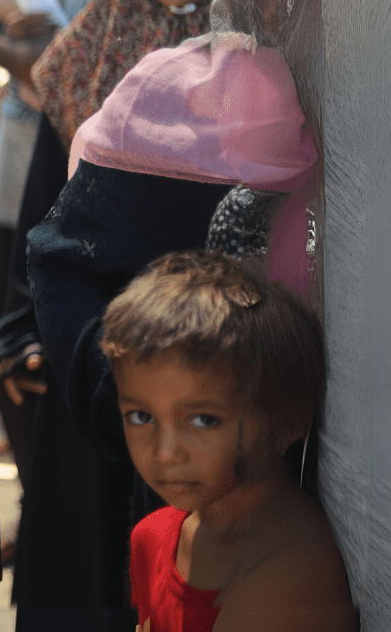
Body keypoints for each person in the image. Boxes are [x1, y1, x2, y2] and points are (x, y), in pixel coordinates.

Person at [7, 0, 263, 632]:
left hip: (197, 381)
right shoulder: (91, 47)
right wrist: (28, 330)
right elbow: (43, 211)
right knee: (81, 575)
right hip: (90, 356)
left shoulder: (250, 64)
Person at [0, 0, 161, 568]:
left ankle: (71, 522)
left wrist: (24, 59)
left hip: (88, 181)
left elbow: (88, 73)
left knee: (57, 346)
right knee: (6, 331)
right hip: (25, 153)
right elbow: (43, 38)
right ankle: (40, 499)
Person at [102, 253, 355, 632]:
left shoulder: (287, 578)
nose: (165, 452)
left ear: (288, 422)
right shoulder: (153, 540)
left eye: (204, 420)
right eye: (141, 416)